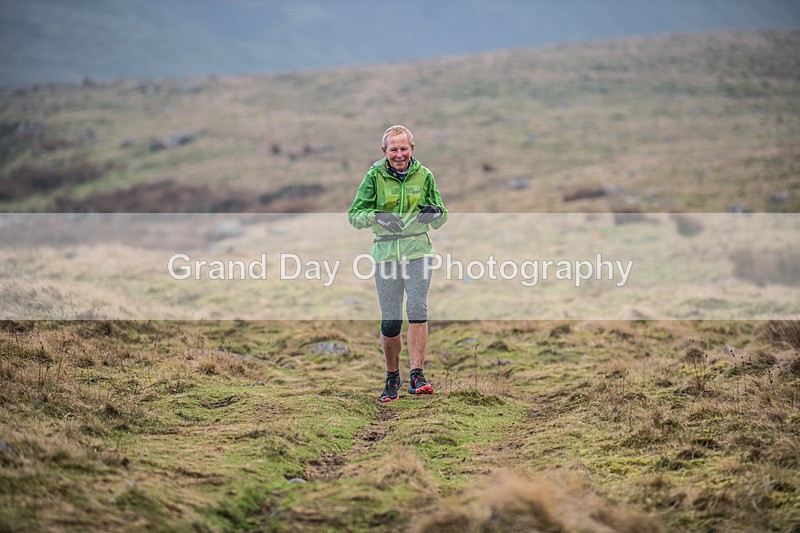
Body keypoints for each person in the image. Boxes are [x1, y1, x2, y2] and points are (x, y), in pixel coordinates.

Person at [347, 125, 448, 403]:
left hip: (418, 251)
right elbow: (354, 215)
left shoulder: (425, 175)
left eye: (404, 148)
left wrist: (435, 213)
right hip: (387, 254)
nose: (399, 154)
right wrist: (377, 216)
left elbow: (442, 214)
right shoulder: (374, 176)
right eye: (394, 149)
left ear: (412, 149)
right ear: (385, 151)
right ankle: (393, 376)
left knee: (417, 307)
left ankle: (418, 375)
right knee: (391, 321)